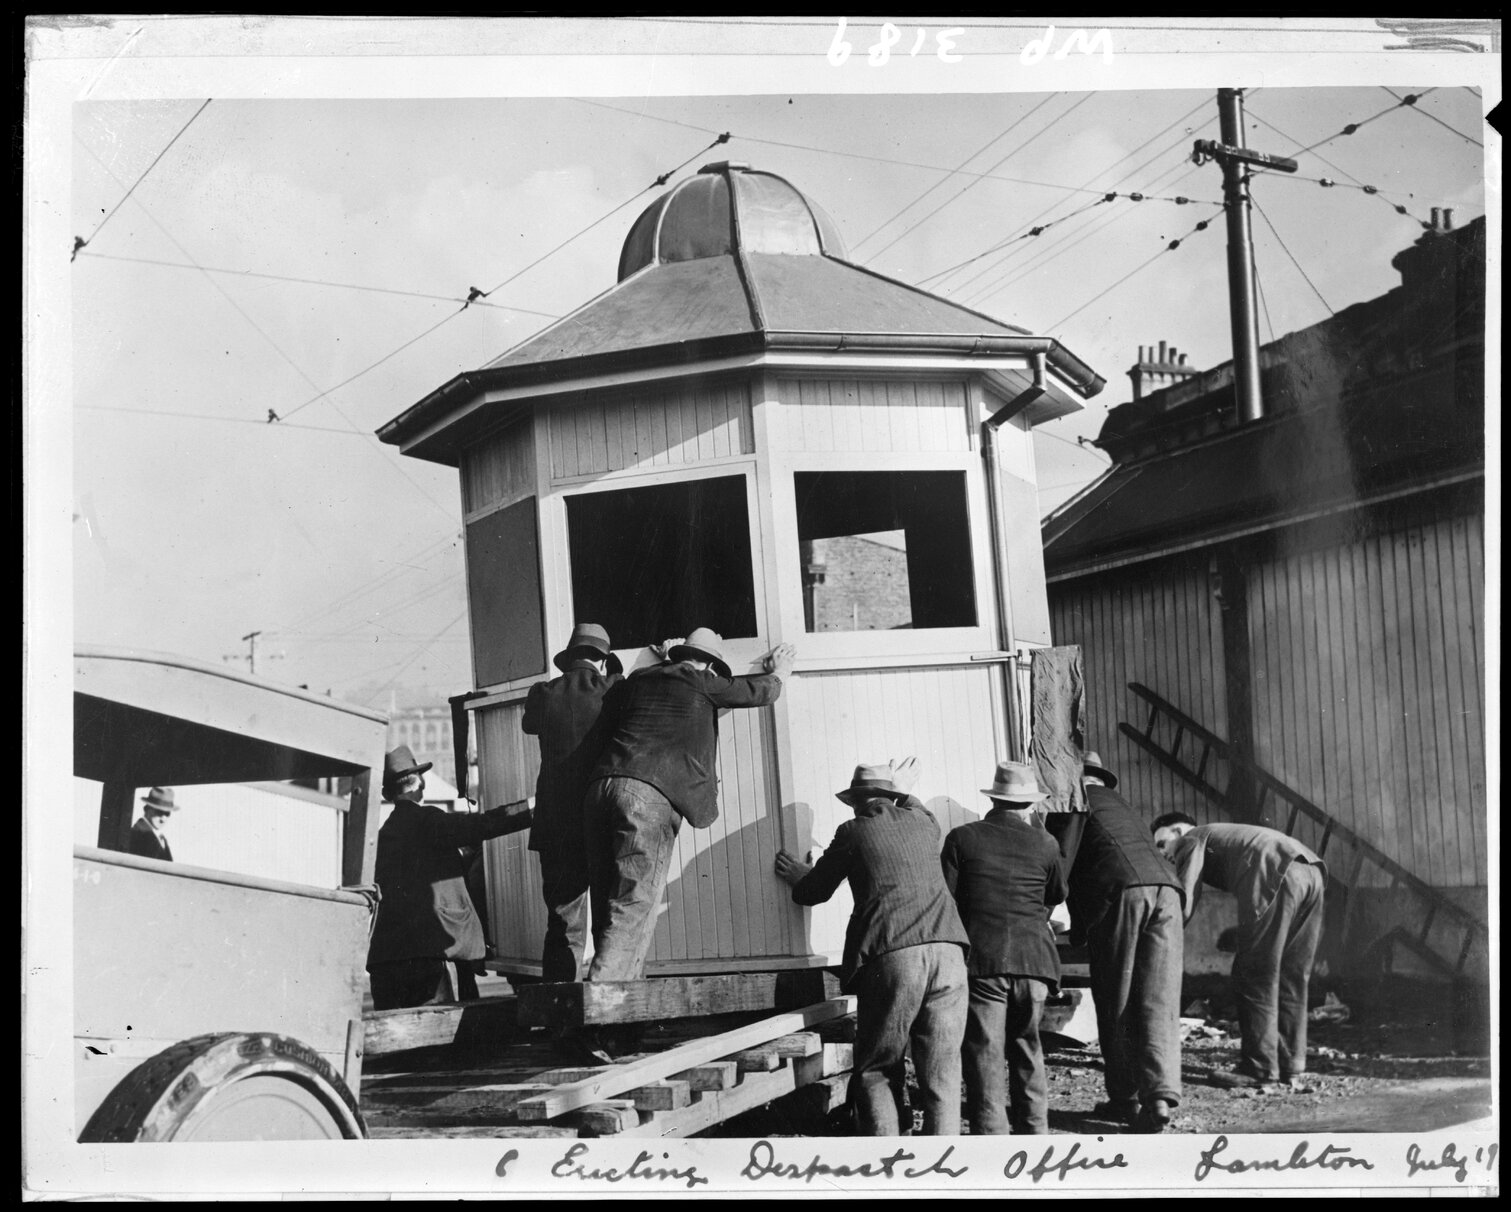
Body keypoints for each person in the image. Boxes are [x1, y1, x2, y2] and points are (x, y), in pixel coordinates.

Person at [584, 628, 794, 983]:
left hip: (601, 788)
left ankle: (619, 1004)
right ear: (710, 664)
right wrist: (779, 673)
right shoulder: (702, 681)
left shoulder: (639, 680)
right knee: (634, 900)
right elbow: (758, 691)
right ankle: (601, 998)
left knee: (607, 900)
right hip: (648, 796)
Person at [775, 759, 969, 1137]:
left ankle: (885, 1163)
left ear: (855, 802)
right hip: (950, 952)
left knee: (878, 1067)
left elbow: (812, 892)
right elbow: (916, 805)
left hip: (895, 953)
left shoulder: (852, 831)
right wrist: (904, 787)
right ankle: (943, 1171)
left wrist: (802, 876)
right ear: (895, 796)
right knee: (943, 1073)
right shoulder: (925, 823)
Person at [1152, 812, 1326, 1089]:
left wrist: (1160, 932)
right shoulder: (1223, 835)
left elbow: (1185, 898)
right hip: (1311, 870)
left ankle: (1258, 1069)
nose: (1164, 855)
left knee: (1253, 974)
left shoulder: (1192, 838)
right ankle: (1292, 1064)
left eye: (1161, 845)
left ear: (1176, 831)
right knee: (1292, 974)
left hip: (1276, 870)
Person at [941, 760, 1066, 1136]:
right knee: (1028, 1045)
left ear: (994, 800)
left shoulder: (962, 838)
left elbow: (946, 897)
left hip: (984, 961)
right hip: (1036, 963)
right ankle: (1036, 1133)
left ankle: (992, 1139)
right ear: (1029, 805)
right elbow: (1057, 894)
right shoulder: (1045, 843)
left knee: (985, 1051)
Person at [1063, 752, 1185, 1133]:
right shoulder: (1123, 805)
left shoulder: (1071, 802)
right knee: (1158, 998)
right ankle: (1160, 1096)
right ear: (1100, 778)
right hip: (1168, 891)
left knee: (1116, 996)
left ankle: (1125, 1099)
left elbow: (1064, 867)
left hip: (1122, 891)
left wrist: (1074, 928)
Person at [366, 745, 533, 1011]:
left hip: (385, 962)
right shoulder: (428, 821)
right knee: (446, 1041)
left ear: (386, 793)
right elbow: (481, 825)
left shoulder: (383, 835)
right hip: (430, 956)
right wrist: (530, 808)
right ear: (421, 783)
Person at [521, 623, 624, 983]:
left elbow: (529, 725)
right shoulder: (612, 690)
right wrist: (618, 672)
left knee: (564, 921)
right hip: (600, 823)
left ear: (568, 658)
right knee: (608, 918)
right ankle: (603, 1006)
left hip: (554, 827)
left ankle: (559, 1009)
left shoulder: (543, 693)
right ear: (602, 658)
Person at [128, 786, 177, 861]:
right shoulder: (138, 834)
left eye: (167, 814)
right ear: (147, 809)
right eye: (160, 812)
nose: (163, 819)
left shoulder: (160, 837)